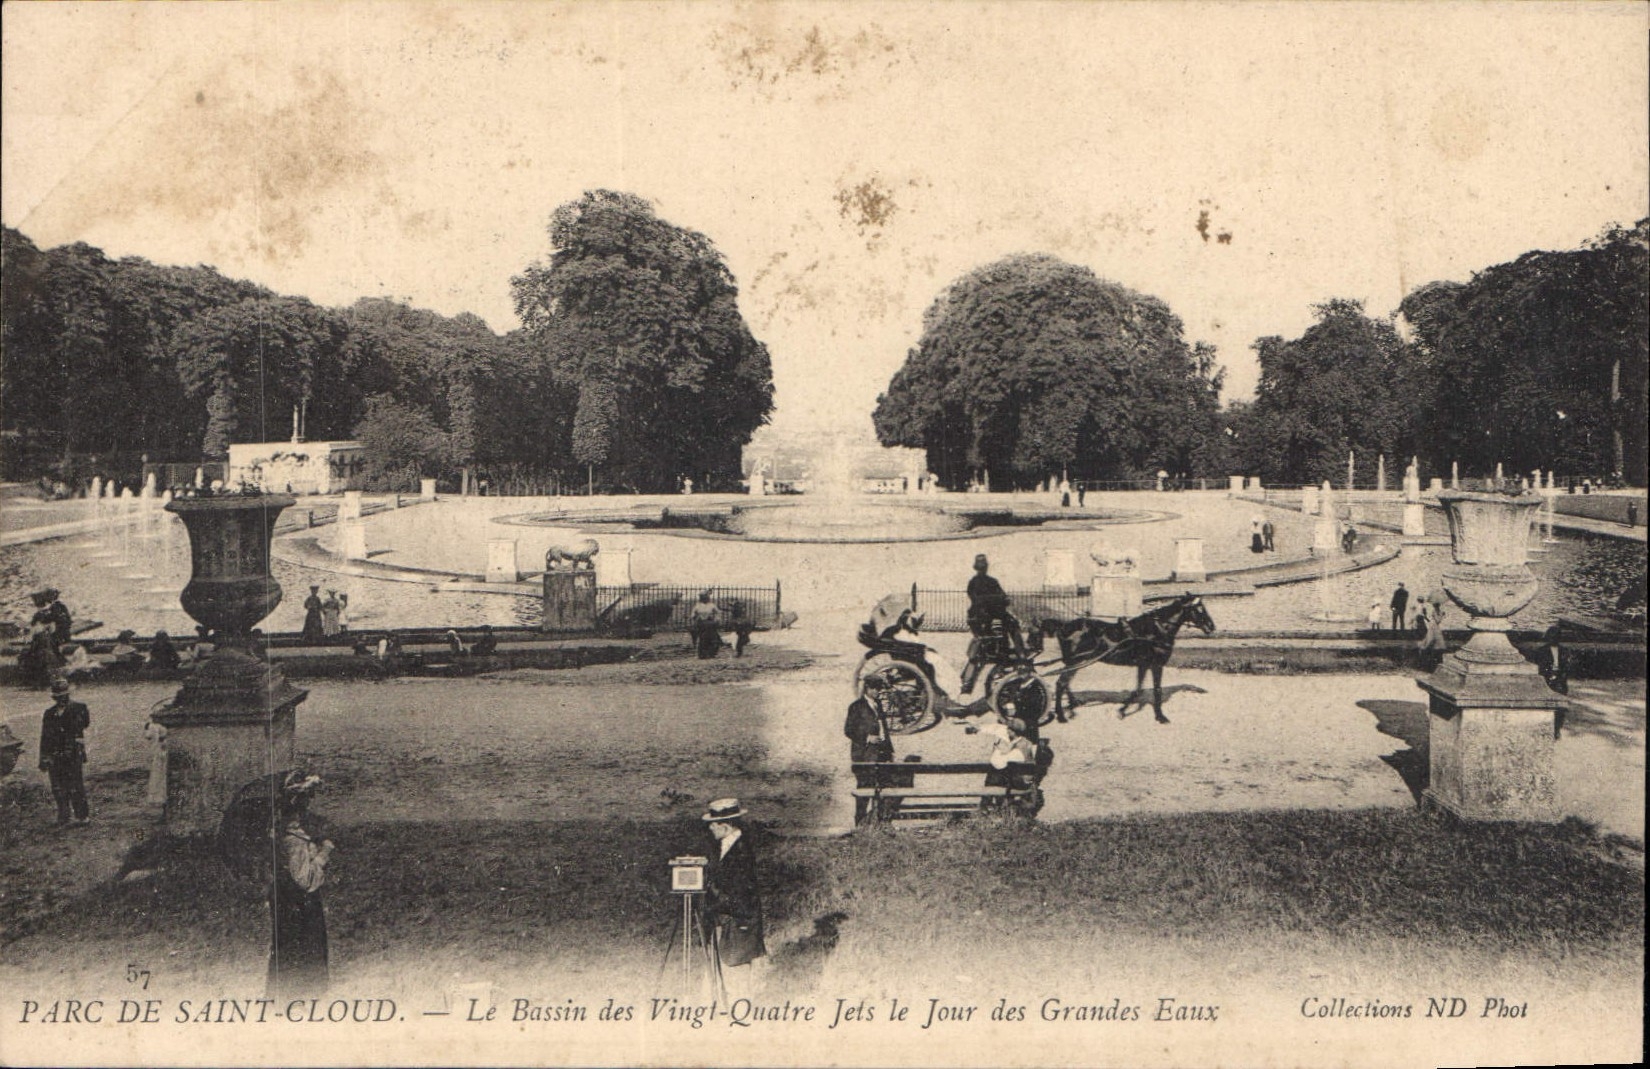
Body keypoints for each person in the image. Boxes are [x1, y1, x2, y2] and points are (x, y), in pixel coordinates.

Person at [269, 772, 334, 998]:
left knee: (289, 952)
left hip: (288, 902)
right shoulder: (293, 840)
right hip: (300, 905)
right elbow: (305, 879)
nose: (309, 808)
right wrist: (323, 853)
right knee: (301, 954)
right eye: (306, 802)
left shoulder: (287, 833)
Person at [702, 798, 765, 984]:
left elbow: (741, 892)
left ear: (727, 825)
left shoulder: (742, 851)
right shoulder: (725, 846)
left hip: (739, 921)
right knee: (721, 974)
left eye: (714, 824)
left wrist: (713, 898)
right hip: (726, 920)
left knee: (735, 977)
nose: (710, 828)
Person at [962, 554, 1024, 694]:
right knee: (1012, 624)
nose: (983, 569)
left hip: (980, 617)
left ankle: (1013, 650)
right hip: (986, 616)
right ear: (983, 568)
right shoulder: (989, 581)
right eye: (982, 567)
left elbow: (983, 598)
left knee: (1008, 622)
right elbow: (989, 599)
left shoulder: (973, 582)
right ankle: (1020, 654)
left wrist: (999, 600)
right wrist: (999, 600)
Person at [38, 678, 91, 826]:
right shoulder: (49, 714)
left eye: (64, 696)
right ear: (54, 697)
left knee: (75, 784)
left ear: (68, 695)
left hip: (72, 753)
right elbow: (45, 737)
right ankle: (64, 815)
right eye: (58, 697)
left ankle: (82, 816)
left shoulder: (79, 708)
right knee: (57, 786)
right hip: (54, 754)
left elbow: (83, 725)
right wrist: (43, 758)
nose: (61, 699)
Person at [844, 689, 894, 824]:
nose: (877, 691)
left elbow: (883, 729)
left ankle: (882, 822)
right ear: (867, 689)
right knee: (865, 786)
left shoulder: (877, 705)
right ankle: (860, 821)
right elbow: (848, 730)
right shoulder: (856, 706)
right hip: (864, 754)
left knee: (884, 786)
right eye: (874, 688)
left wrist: (889, 750)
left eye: (879, 688)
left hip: (881, 753)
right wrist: (867, 738)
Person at [689, 592, 721, 660]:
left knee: (713, 638)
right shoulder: (698, 605)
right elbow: (693, 614)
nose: (705, 599)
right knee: (702, 639)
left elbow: (718, 612)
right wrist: (694, 618)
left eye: (706, 597)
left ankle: (711, 653)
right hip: (701, 624)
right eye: (703, 597)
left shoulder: (712, 605)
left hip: (710, 624)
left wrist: (716, 620)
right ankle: (702, 655)